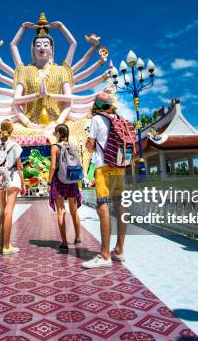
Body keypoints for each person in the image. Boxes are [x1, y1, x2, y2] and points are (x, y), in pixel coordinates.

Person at [81, 92, 126, 269]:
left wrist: (88, 145)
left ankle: (105, 254)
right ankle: (120, 250)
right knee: (120, 204)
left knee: (103, 207)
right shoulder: (119, 118)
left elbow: (90, 146)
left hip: (103, 167)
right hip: (119, 166)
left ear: (97, 106)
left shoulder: (97, 119)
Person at [48, 124, 82, 252]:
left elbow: (52, 167)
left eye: (55, 131)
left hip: (59, 181)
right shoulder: (73, 146)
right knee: (74, 211)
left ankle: (64, 243)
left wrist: (49, 183)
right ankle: (78, 237)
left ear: (58, 133)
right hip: (72, 180)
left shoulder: (55, 147)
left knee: (61, 211)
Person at [0, 119, 25, 254]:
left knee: (2, 211)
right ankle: (7, 246)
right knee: (9, 212)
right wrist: (23, 185)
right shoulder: (15, 146)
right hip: (11, 178)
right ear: (12, 130)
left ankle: (1, 244)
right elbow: (19, 167)